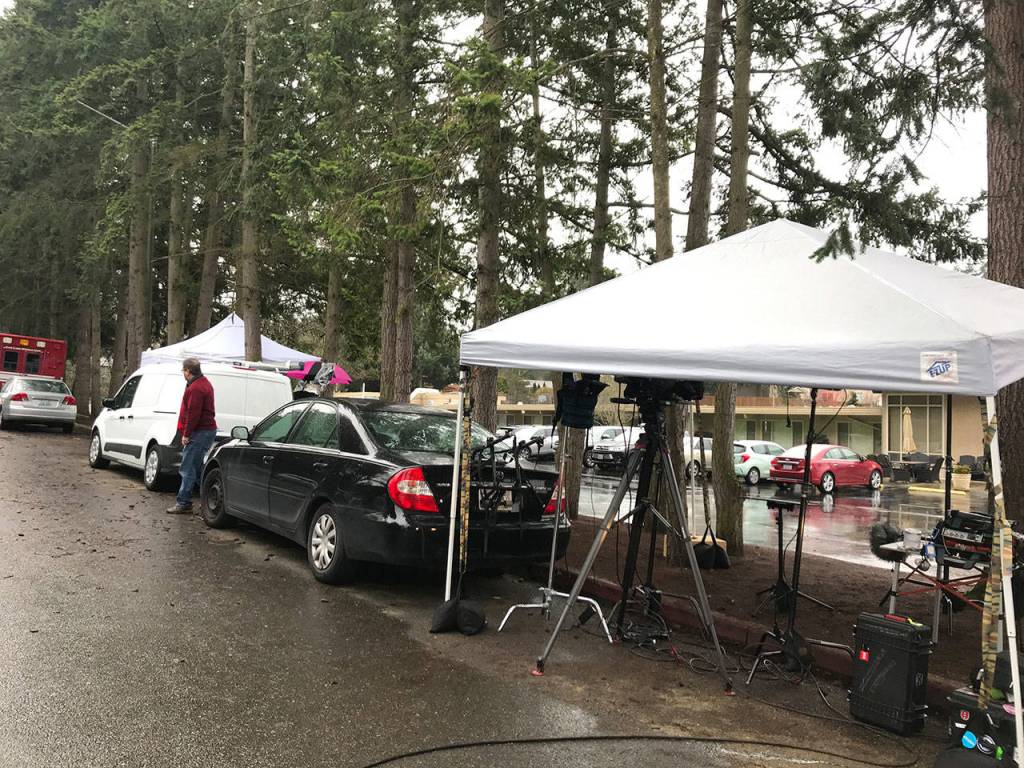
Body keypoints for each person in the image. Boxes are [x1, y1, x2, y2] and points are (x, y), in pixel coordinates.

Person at [166, 358, 218, 514]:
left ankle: (184, 502)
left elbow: (193, 414)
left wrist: (186, 434)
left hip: (199, 432)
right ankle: (209, 497)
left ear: (188, 371)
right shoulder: (204, 383)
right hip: (205, 430)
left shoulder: (196, 388)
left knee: (187, 467)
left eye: (184, 371)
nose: (183, 373)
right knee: (196, 467)